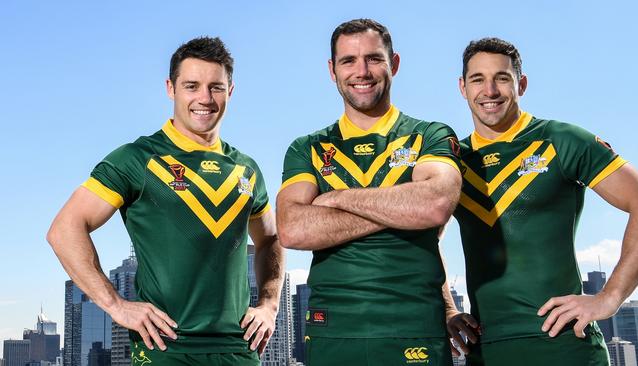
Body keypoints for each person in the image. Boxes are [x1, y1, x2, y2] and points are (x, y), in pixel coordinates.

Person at [47, 37, 284, 366]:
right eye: (192, 85)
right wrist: (116, 306)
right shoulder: (138, 158)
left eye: (215, 87)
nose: (204, 98)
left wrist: (269, 305)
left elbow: (270, 238)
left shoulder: (247, 168)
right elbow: (64, 230)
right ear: (170, 88)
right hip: (165, 348)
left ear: (230, 91)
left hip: (240, 349)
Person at [447, 37, 638, 366]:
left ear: (521, 84)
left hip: (565, 346)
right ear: (462, 87)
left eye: (502, 78)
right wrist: (447, 308)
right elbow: (424, 240)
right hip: (486, 350)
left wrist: (610, 297)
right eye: (477, 79)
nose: (490, 91)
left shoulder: (561, 140)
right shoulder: (453, 162)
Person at [276, 18, 462, 366]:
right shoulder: (308, 147)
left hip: (415, 328)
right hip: (332, 330)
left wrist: (338, 198)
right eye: (348, 61)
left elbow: (435, 204)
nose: (361, 71)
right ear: (332, 70)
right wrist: (402, 208)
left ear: (394, 64)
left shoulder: (430, 134)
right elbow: (293, 228)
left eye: (374, 58)